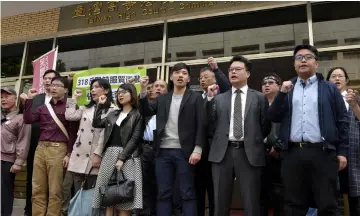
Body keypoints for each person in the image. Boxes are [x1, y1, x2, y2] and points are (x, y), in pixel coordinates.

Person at [268, 44, 349, 216]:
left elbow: (343, 121)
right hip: (292, 153)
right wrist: (281, 93)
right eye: (298, 58)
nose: (303, 60)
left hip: (322, 153)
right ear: (294, 64)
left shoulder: (329, 88)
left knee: (327, 204)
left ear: (317, 63)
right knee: (293, 205)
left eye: (308, 57)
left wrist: (342, 152)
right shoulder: (288, 88)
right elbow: (273, 116)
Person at [206, 55, 271, 216]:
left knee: (251, 202)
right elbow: (210, 125)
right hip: (222, 154)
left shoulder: (259, 98)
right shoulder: (218, 99)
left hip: (249, 153)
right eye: (231, 70)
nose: (233, 72)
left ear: (248, 74)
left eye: (238, 69)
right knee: (220, 202)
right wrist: (208, 99)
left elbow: (265, 126)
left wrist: (252, 140)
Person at [139, 62, 205, 216]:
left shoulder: (196, 98)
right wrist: (143, 89)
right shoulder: (163, 99)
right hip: (162, 152)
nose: (180, 75)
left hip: (186, 152)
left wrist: (198, 149)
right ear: (171, 77)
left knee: (187, 192)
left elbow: (202, 125)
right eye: (176, 72)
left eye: (183, 73)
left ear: (188, 78)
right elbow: (146, 110)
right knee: (164, 193)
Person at [23, 76, 79, 216]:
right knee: (37, 188)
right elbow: (28, 119)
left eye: (58, 85)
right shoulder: (44, 107)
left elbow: (73, 133)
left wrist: (69, 154)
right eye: (52, 85)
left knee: (55, 190)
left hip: (58, 149)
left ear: (66, 89)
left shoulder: (70, 105)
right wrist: (29, 100)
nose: (53, 87)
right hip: (40, 149)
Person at [61, 78, 116, 215]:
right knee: (79, 192)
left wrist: (97, 154)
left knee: (95, 194)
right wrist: (73, 99)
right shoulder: (86, 107)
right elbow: (70, 115)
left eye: (97, 87)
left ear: (106, 90)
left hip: (96, 156)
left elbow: (105, 134)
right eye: (92, 87)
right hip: (80, 154)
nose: (93, 90)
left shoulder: (113, 109)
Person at [91, 83, 143, 216]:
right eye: (118, 92)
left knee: (125, 194)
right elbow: (96, 123)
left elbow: (135, 139)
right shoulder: (113, 113)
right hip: (109, 155)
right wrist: (100, 106)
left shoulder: (137, 115)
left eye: (124, 92)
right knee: (108, 195)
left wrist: (122, 158)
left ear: (132, 94)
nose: (120, 94)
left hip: (128, 157)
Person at [19, 69, 61, 216]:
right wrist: (27, 102)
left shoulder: (63, 100)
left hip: (56, 148)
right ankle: (29, 211)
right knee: (34, 182)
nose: (48, 81)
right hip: (35, 146)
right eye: (46, 78)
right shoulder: (36, 98)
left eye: (52, 78)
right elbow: (27, 117)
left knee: (54, 185)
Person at [196, 57, 231, 216]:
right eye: (201, 78)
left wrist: (216, 68)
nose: (203, 80)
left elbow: (226, 85)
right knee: (198, 188)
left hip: (218, 149)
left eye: (206, 77)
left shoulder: (223, 96)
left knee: (215, 189)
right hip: (198, 150)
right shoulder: (197, 98)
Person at [327, 67, 360, 215]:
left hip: (353, 151)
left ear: (346, 80)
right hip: (330, 149)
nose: (337, 79)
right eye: (333, 76)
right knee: (330, 191)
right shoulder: (324, 99)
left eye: (340, 76)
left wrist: (354, 105)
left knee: (354, 190)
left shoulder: (354, 98)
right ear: (328, 81)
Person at [138, 79, 167, 216]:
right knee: (145, 183)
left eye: (162, 86)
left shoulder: (170, 104)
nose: (158, 88)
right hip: (146, 148)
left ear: (167, 90)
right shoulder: (146, 106)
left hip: (163, 149)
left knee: (161, 183)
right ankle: (145, 212)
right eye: (156, 86)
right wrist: (143, 88)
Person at [1, 88, 31, 216]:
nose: (3, 99)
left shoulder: (21, 118)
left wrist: (18, 162)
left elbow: (23, 141)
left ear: (15, 98)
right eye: (1, 97)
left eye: (7, 96)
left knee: (4, 193)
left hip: (7, 160)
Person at [260, 74, 284, 216]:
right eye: (264, 83)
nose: (266, 85)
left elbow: (287, 129)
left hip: (278, 155)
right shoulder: (257, 104)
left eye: (271, 82)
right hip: (259, 153)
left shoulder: (284, 105)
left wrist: (278, 146)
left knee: (279, 194)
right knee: (260, 192)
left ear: (279, 86)